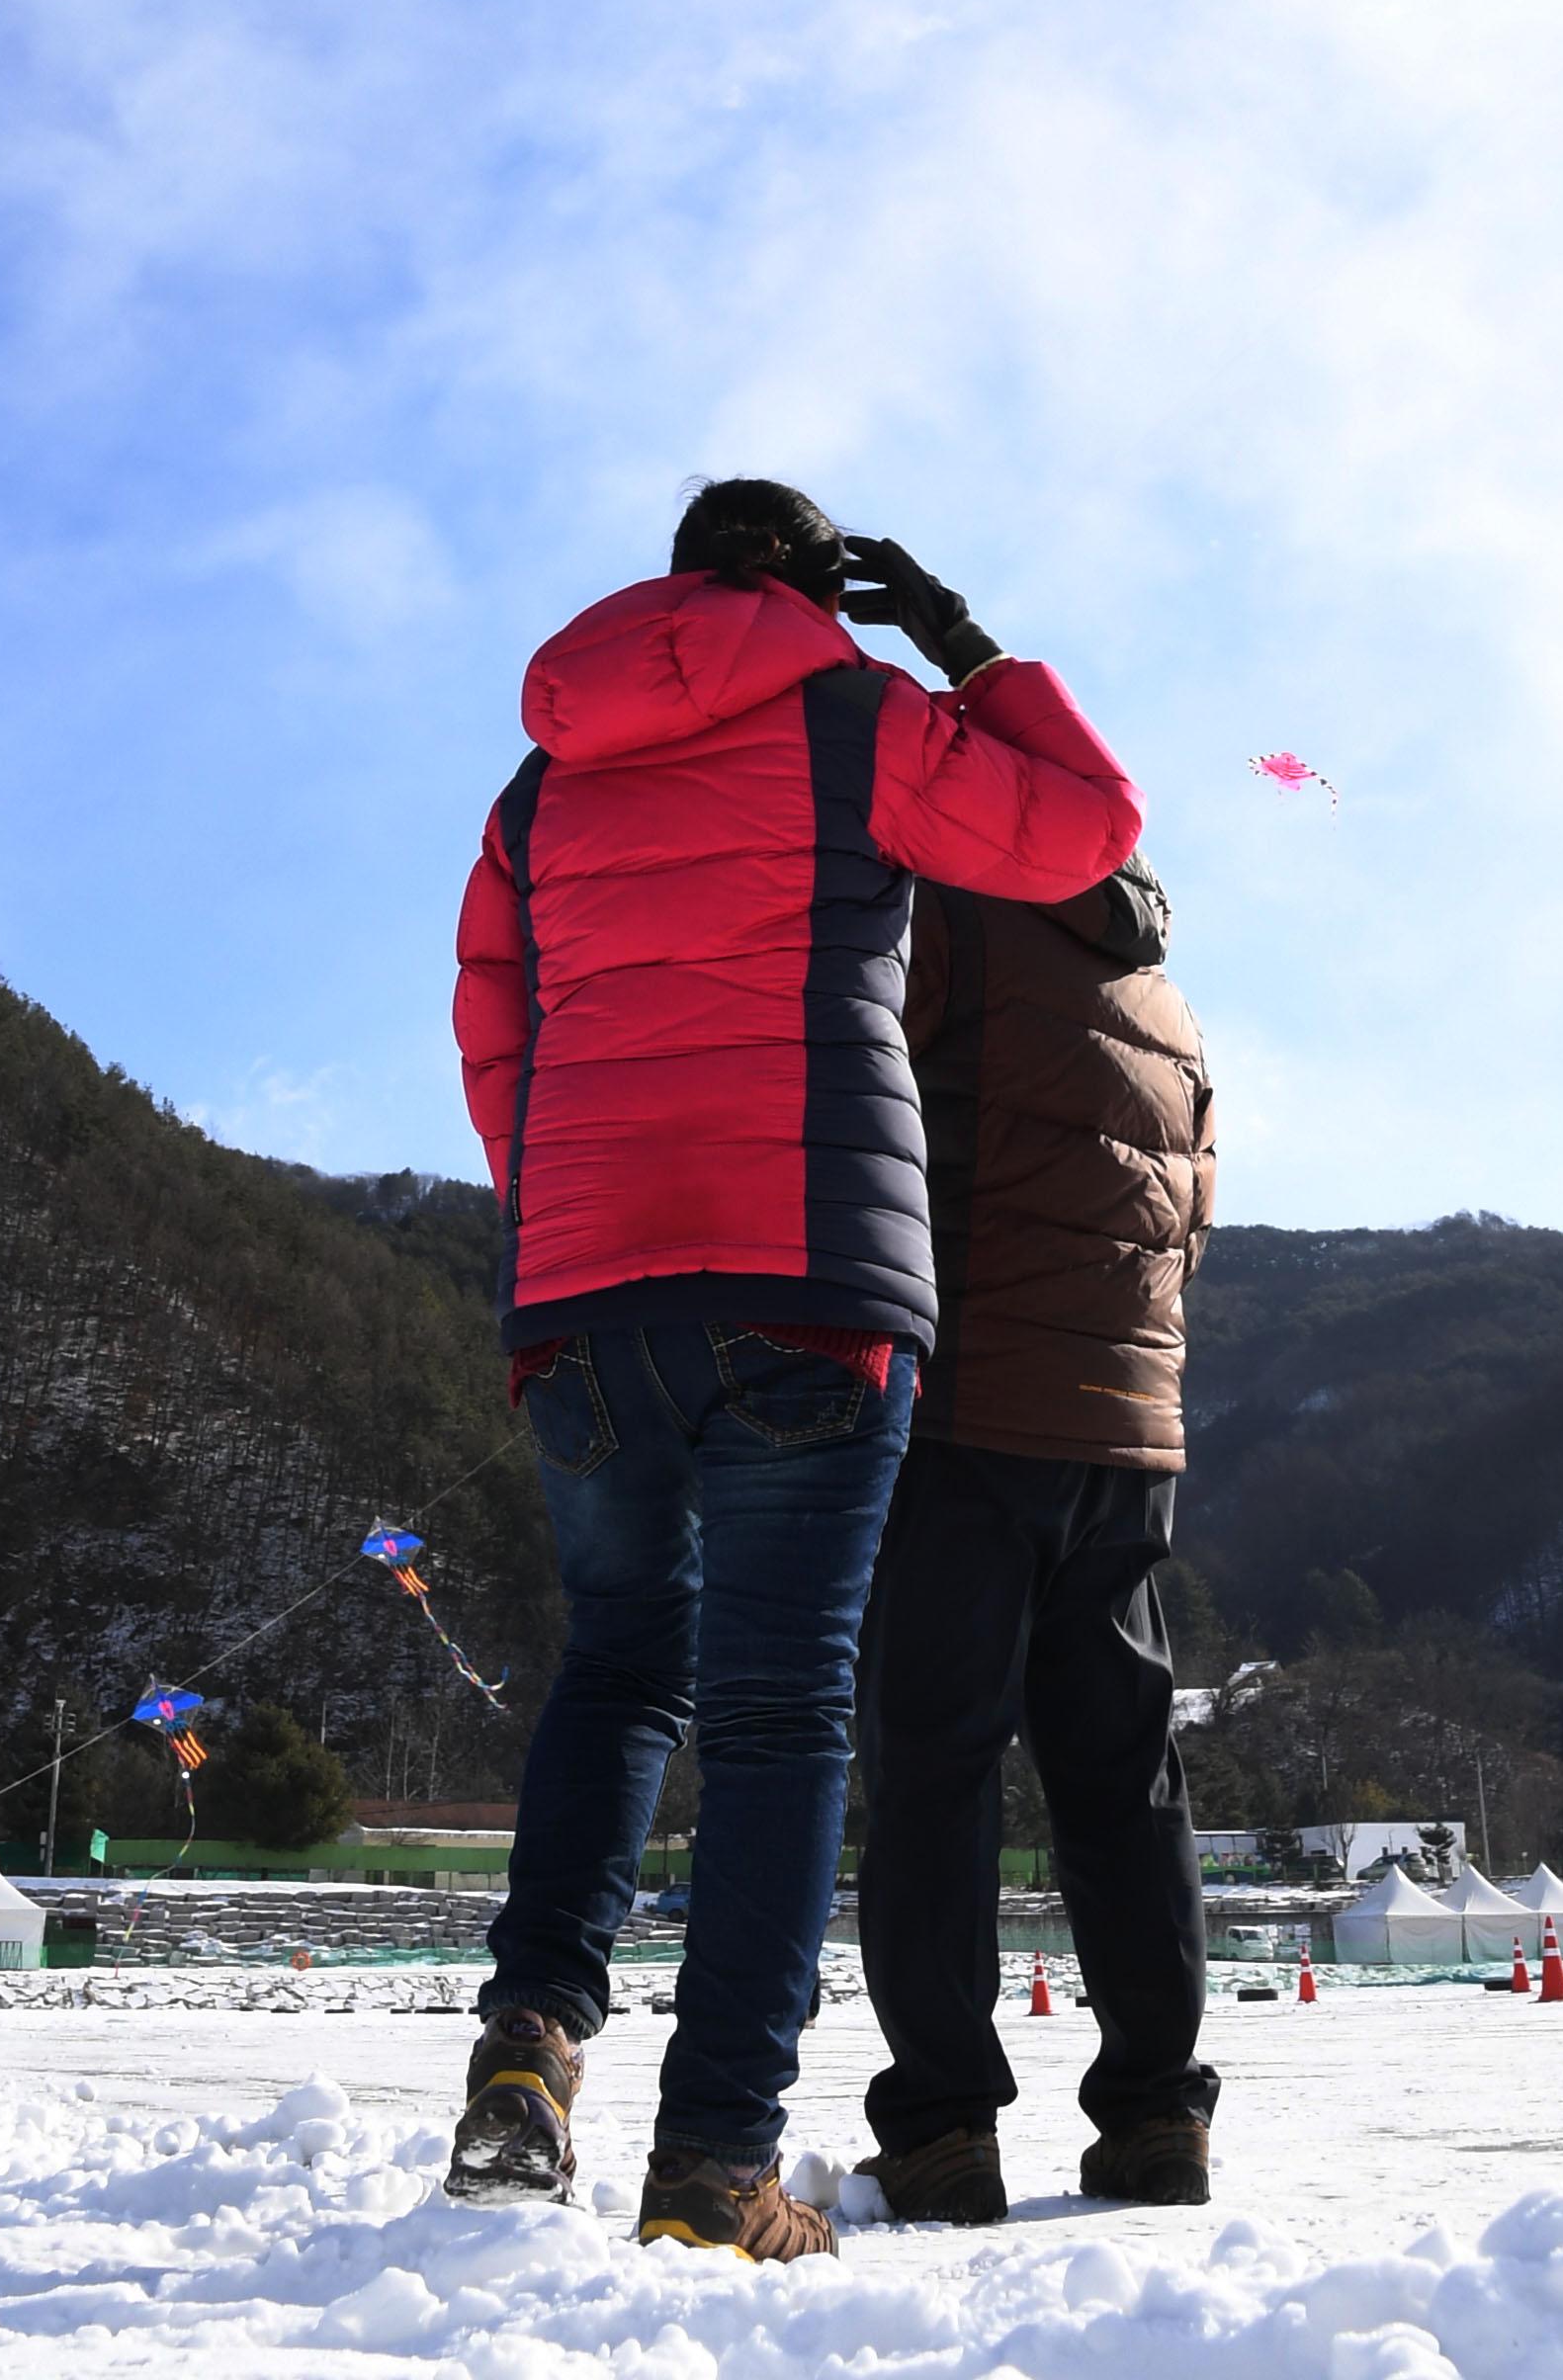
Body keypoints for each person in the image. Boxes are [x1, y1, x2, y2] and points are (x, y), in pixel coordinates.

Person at [446, 480, 1142, 2257]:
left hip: (585, 1283)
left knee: (613, 1668)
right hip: (808, 1268)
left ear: (678, 578)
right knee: (777, 1714)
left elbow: (496, 1032)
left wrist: (567, 1220)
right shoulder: (856, 714)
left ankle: (531, 2033)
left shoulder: (542, 780)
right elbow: (1083, 833)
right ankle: (712, 2158)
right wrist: (964, 641)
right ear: (820, 575)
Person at [854, 850, 1217, 2223]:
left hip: (963, 1414)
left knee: (936, 1770)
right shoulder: (1167, 999)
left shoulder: (947, 920)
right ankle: (1155, 2114)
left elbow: (856, 1101)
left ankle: (945, 2124)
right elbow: (1192, 1222)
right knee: (1125, 1778)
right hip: (1130, 1436)